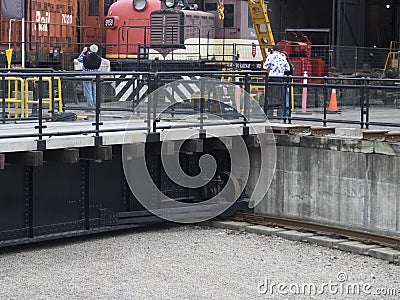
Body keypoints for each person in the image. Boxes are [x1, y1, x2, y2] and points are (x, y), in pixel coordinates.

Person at [263, 45, 290, 117]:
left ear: (272, 49)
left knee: (270, 96)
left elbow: (265, 66)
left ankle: (269, 113)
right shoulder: (282, 58)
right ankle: (279, 114)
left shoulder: (270, 56)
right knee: (280, 97)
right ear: (279, 50)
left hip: (272, 78)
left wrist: (271, 67)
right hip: (280, 78)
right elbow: (288, 68)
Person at [77, 44, 102, 110]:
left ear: (90, 50)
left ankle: (91, 108)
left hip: (87, 75)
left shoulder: (86, 57)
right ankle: (96, 107)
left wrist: (83, 52)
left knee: (88, 92)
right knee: (95, 92)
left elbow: (79, 59)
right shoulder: (99, 58)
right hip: (96, 75)